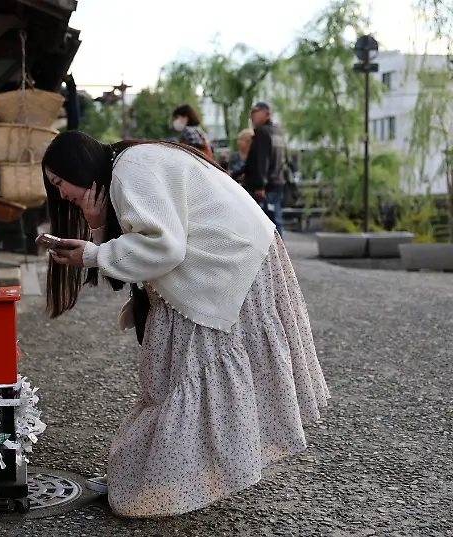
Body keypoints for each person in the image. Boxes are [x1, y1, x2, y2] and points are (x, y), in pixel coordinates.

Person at [40, 131, 330, 518]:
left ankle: (164, 487)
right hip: (231, 263)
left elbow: (164, 248)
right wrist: (96, 228)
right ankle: (165, 479)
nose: (60, 195)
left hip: (227, 269)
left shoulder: (130, 169)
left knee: (179, 378)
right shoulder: (129, 164)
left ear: (78, 166)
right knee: (168, 376)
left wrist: (93, 252)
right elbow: (134, 262)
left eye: (59, 182)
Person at [244, 102, 287, 237]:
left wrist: (260, 185)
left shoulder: (263, 133)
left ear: (266, 113)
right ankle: (281, 255)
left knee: (263, 225)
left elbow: (262, 161)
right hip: (277, 183)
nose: (251, 115)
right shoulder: (277, 132)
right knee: (276, 222)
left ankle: (272, 256)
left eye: (255, 111)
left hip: (264, 188)